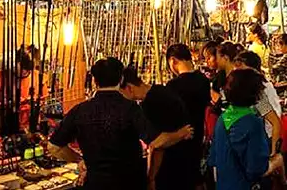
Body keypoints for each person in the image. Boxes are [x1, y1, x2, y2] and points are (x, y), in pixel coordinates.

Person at [47, 58, 193, 190]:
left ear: (94, 81)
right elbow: (157, 141)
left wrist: (81, 160)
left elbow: (54, 147)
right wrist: (179, 134)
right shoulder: (130, 108)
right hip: (129, 183)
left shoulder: (80, 111)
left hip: (96, 183)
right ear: (121, 78)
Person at [120, 67, 195, 190]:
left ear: (129, 88)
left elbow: (158, 144)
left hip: (169, 168)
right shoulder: (161, 90)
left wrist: (151, 178)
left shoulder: (150, 104)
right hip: (184, 160)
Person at [207, 68, 282, 189]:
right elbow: (256, 169)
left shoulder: (223, 118)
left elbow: (213, 159)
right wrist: (275, 162)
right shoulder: (253, 123)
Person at [164, 44, 212, 189]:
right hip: (197, 134)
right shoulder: (203, 81)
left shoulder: (173, 86)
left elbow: (169, 116)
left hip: (178, 139)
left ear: (173, 61)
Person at [235, 51, 283, 157]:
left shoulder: (258, 94)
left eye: (240, 68)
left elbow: (275, 122)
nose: (237, 72)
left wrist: (273, 151)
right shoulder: (249, 90)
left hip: (265, 139)